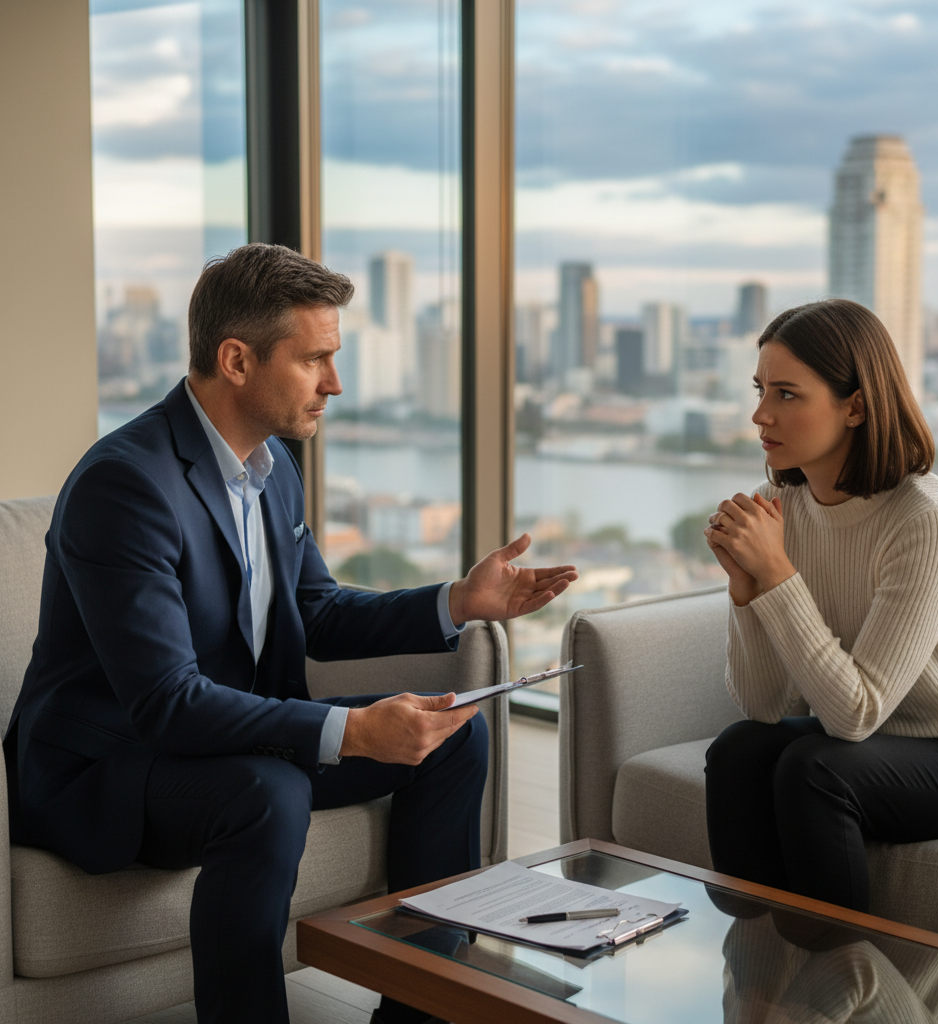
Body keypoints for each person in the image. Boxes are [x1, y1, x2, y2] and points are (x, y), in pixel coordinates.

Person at [2, 243, 578, 1024]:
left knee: (453, 734)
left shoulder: (271, 468)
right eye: (316, 360)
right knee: (267, 790)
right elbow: (168, 704)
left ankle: (420, 1013)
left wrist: (458, 601)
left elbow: (319, 612)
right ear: (236, 360)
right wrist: (350, 730)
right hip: (108, 768)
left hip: (221, 739)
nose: (335, 383)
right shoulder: (126, 485)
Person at [702, 298, 938, 914]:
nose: (759, 413)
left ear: (855, 406)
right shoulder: (785, 506)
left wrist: (776, 575)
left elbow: (856, 715)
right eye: (760, 388)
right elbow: (763, 706)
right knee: (739, 748)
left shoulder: (926, 519)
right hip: (883, 744)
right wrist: (747, 594)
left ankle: (839, 985)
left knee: (816, 768)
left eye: (787, 394)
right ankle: (759, 961)